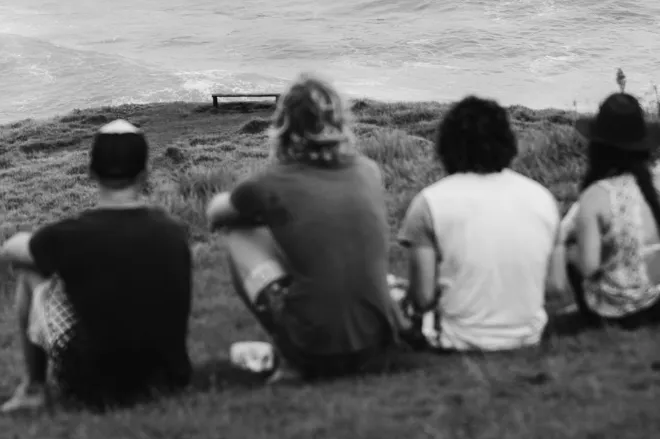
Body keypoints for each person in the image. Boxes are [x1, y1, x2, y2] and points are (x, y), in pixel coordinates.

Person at [207, 75, 397, 383]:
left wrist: (257, 212)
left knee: (238, 232)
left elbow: (216, 215)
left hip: (313, 349)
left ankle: (290, 360)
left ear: (284, 125)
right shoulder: (368, 170)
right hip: (377, 341)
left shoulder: (270, 183)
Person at [0, 119, 192, 413]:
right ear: (144, 174)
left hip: (95, 386)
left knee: (29, 270)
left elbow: (10, 250)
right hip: (168, 379)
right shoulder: (174, 230)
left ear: (91, 172)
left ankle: (34, 389)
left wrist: (35, 242)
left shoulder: (69, 236)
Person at [397, 96, 561, 351]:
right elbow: (555, 288)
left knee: (389, 291)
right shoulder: (542, 197)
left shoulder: (429, 202)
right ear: (507, 142)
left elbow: (423, 299)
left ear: (447, 145)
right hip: (528, 334)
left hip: (456, 338)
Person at [557, 92, 660, 328]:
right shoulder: (654, 185)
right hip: (655, 301)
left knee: (571, 250)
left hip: (614, 312)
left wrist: (569, 250)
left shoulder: (595, 196)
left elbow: (589, 266)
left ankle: (588, 313)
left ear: (597, 146)